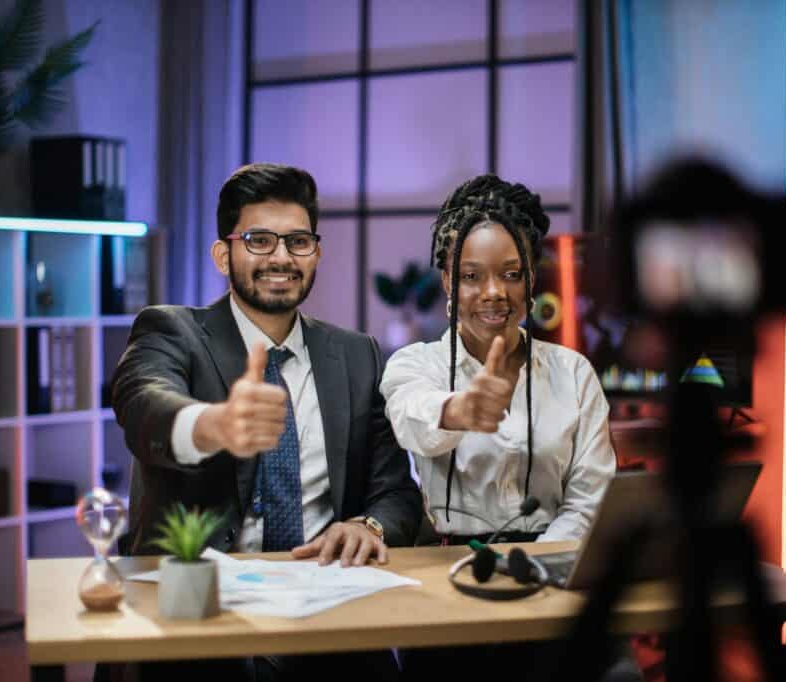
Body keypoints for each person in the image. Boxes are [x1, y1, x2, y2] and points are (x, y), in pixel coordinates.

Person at [109, 162, 422, 681]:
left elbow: (396, 492)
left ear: (316, 252)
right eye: (258, 240)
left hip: (329, 618)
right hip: (203, 621)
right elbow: (140, 403)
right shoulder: (173, 331)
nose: (281, 257)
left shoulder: (358, 355)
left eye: (298, 241)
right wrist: (213, 424)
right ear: (222, 254)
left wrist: (367, 526)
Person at [380, 174, 637, 682]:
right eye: (472, 275)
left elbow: (590, 499)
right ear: (448, 281)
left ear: (530, 280)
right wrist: (461, 410)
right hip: (452, 586)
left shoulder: (573, 373)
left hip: (556, 581)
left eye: (511, 273)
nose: (494, 292)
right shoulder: (415, 365)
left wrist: (533, 569)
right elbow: (414, 419)